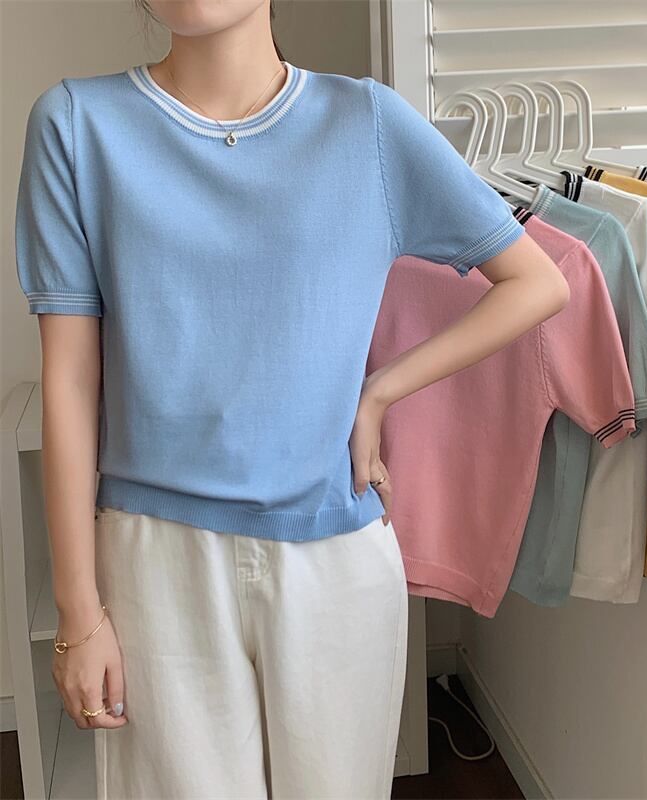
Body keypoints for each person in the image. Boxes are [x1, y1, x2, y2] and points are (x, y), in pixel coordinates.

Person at [13, 1, 569, 797]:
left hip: (334, 557)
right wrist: (78, 613)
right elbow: (70, 379)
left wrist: (381, 390)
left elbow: (536, 283)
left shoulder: (367, 124)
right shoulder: (76, 125)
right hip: (155, 563)